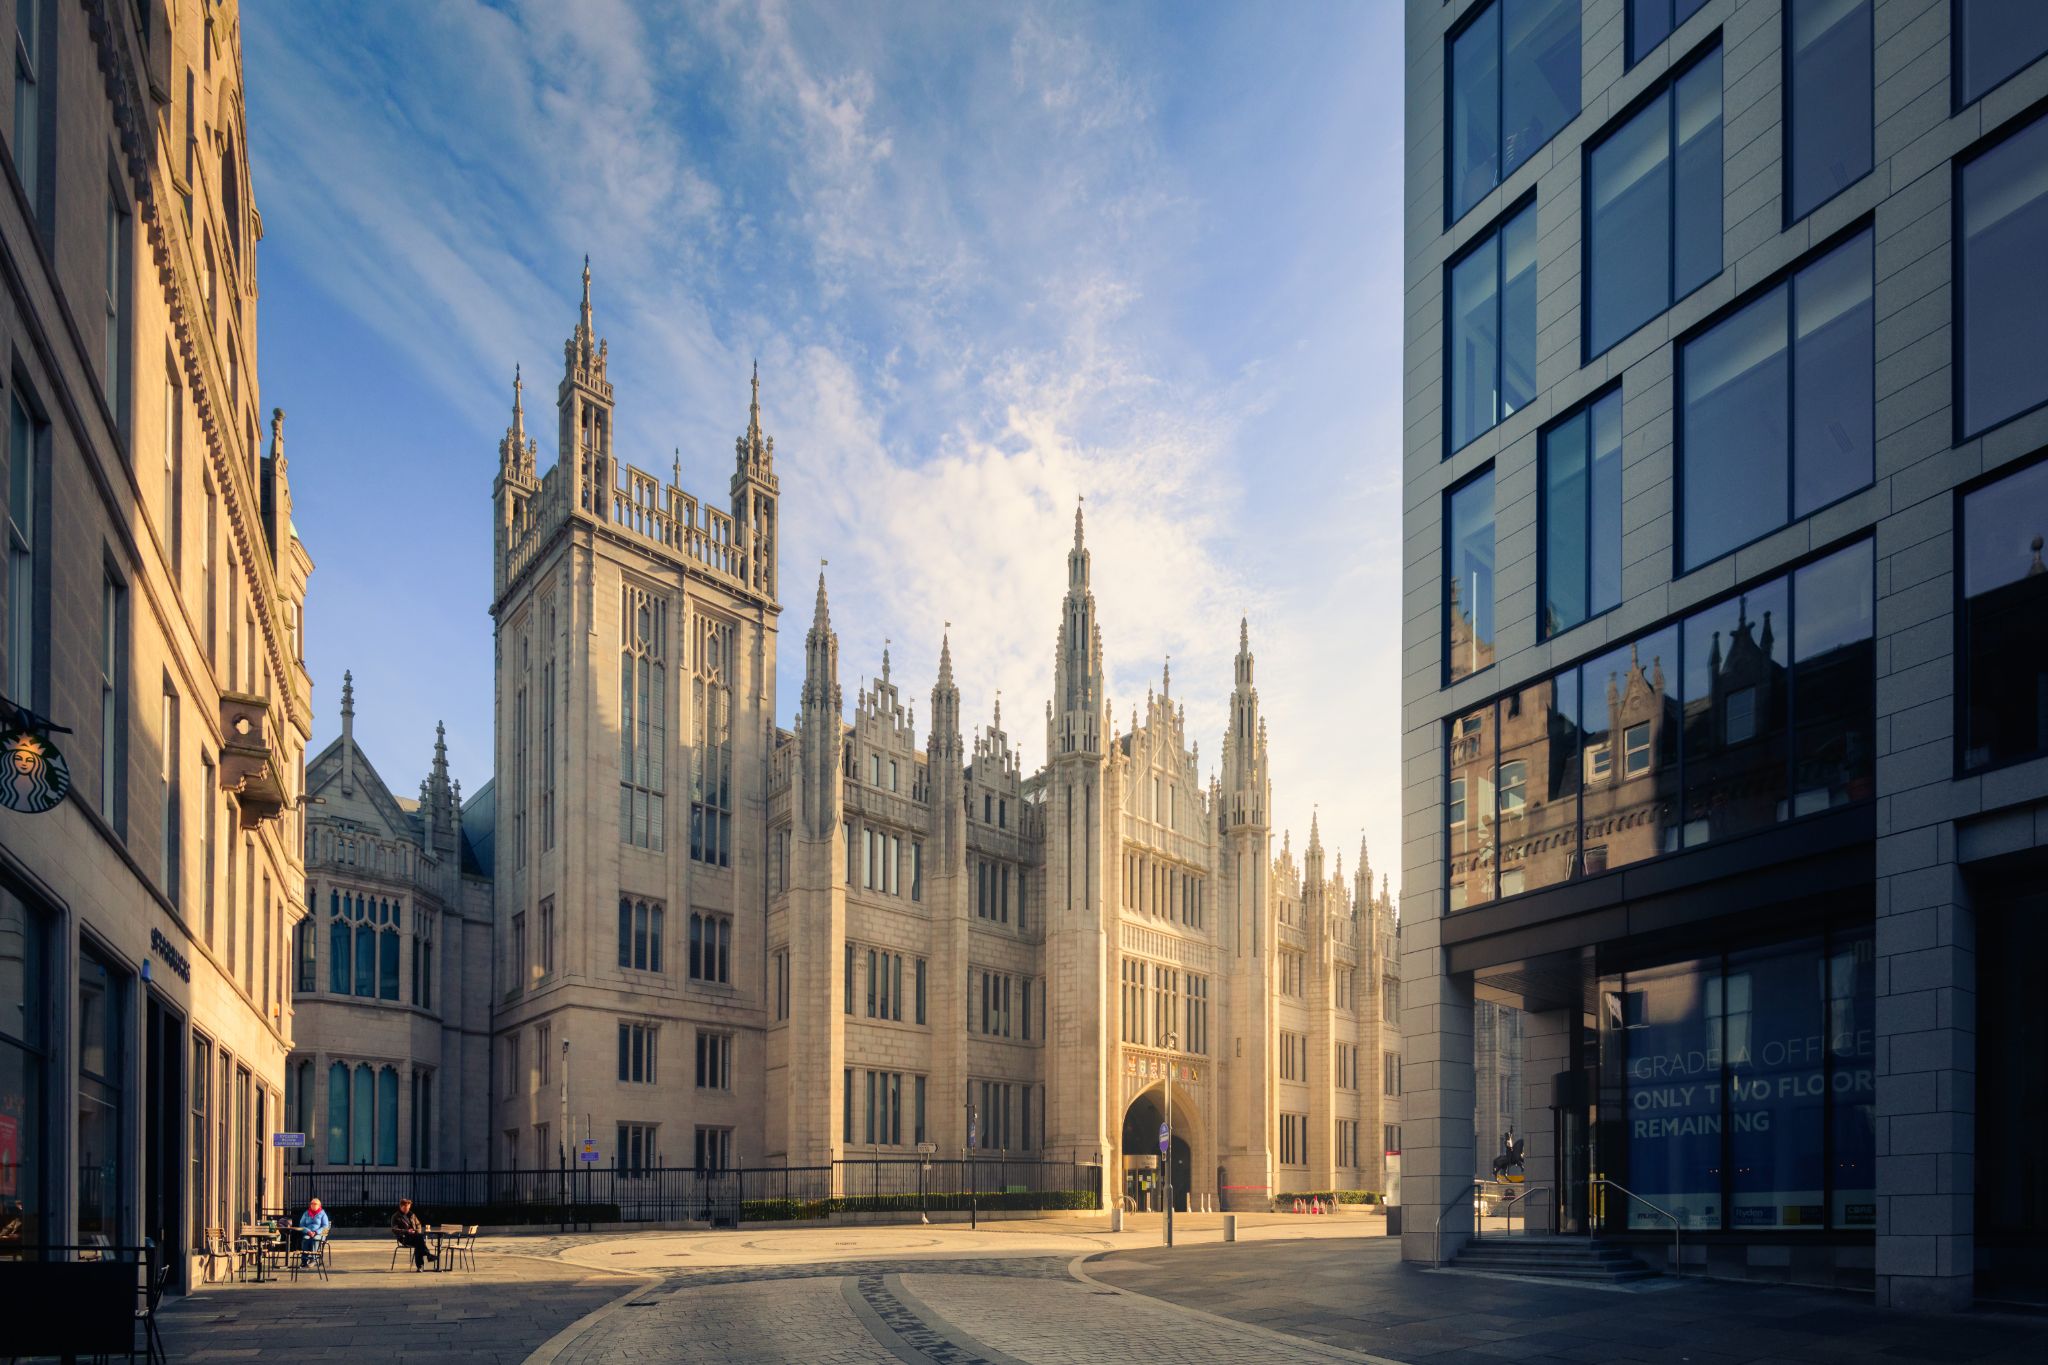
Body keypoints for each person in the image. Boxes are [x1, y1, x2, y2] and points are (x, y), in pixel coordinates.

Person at [390, 1197, 437, 1270]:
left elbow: (418, 1224)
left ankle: (420, 1267)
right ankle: (428, 1255)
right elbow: (394, 1230)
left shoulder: (412, 1215)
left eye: (408, 1208)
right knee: (419, 1239)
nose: (407, 1210)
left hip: (415, 1236)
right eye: (405, 1208)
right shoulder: (396, 1217)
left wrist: (416, 1231)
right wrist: (406, 1231)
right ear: (401, 1206)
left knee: (418, 1242)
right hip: (404, 1238)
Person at [297, 1197, 331, 1266]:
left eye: (315, 1204)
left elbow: (325, 1226)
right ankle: (304, 1260)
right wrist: (308, 1231)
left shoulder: (322, 1214)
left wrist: (315, 1232)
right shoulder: (306, 1213)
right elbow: (301, 1224)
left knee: (315, 1239)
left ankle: (314, 1259)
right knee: (305, 1238)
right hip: (308, 1233)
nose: (313, 1205)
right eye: (311, 1203)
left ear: (319, 1205)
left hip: (320, 1234)